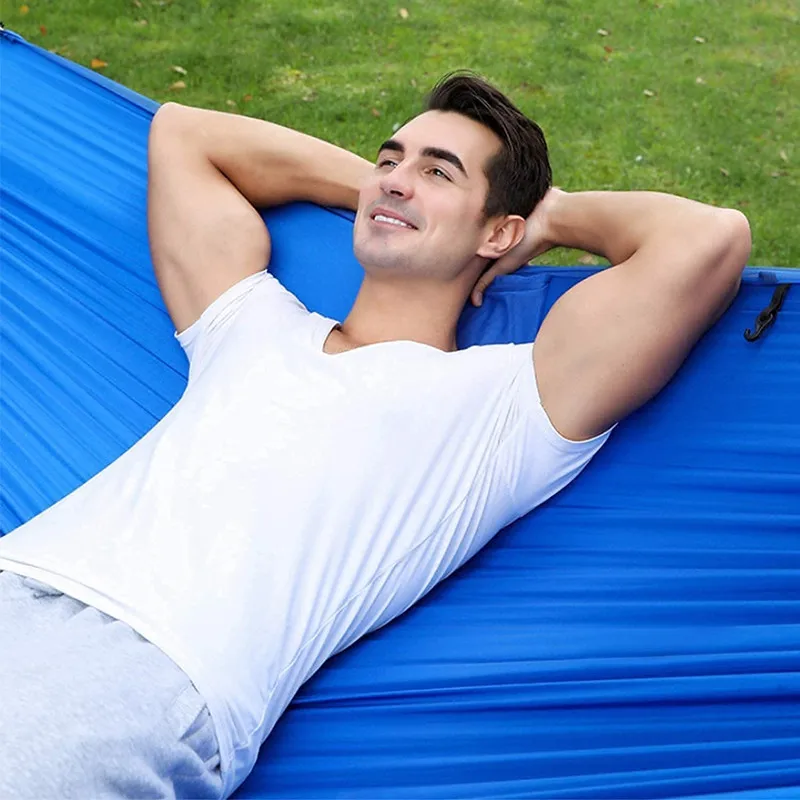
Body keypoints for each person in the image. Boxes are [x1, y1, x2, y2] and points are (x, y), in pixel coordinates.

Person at [0, 73, 750, 798]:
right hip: (19, 573)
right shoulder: (251, 323)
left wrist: (549, 218)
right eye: (390, 160)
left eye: (438, 171)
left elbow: (709, 238)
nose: (396, 180)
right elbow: (185, 135)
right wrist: (384, 189)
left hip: (148, 672)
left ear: (500, 231)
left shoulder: (506, 408)